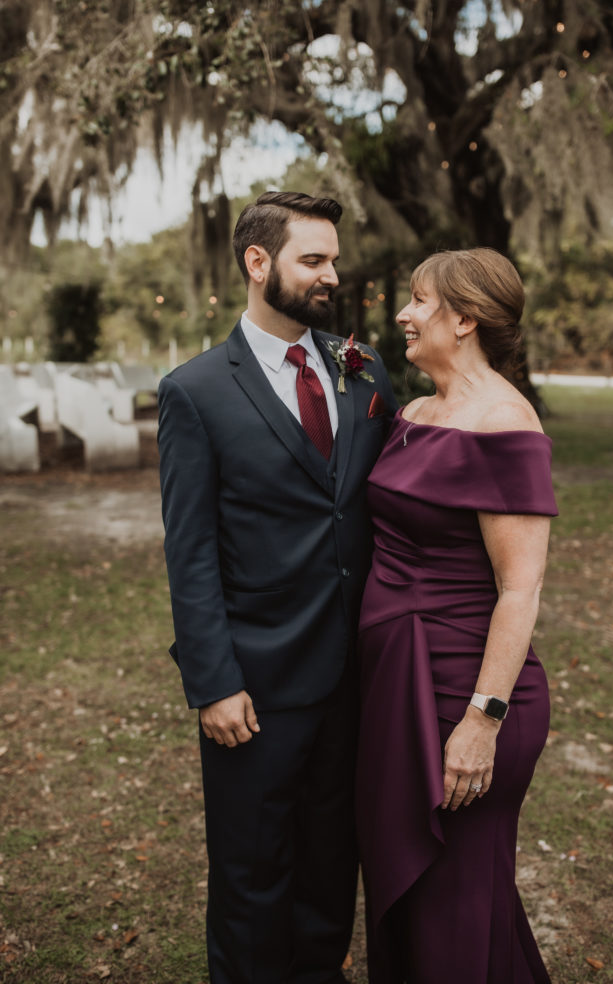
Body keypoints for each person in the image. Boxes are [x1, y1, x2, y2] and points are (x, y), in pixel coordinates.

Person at [157, 190, 397, 984]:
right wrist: (213, 682)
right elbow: (189, 552)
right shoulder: (196, 392)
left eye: (334, 258)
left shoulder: (362, 372)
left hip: (354, 678)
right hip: (254, 688)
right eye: (313, 260)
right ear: (258, 264)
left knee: (332, 867)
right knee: (253, 876)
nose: (332, 274)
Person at [355, 248, 558, 983]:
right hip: (392, 684)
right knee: (408, 895)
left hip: (462, 693)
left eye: (417, 300)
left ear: (464, 317)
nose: (403, 314)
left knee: (455, 901)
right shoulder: (412, 410)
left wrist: (482, 720)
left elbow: (519, 588)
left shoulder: (504, 422)